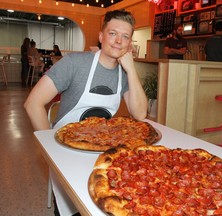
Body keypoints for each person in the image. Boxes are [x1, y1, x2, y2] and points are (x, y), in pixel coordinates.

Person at [24, 9, 147, 216]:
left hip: (106, 153)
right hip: (66, 150)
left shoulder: (124, 73)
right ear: (101, 36)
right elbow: (33, 103)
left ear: (130, 43)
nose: (118, 41)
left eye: (125, 36)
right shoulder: (75, 63)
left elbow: (140, 114)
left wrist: (131, 69)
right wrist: (51, 150)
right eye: (113, 33)